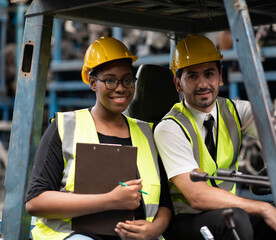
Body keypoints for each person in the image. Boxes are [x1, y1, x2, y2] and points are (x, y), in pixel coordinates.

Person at [154, 34, 276, 240]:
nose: (203, 84)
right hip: (186, 221)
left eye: (209, 74)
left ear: (220, 76)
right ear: (178, 84)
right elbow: (196, 196)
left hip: (227, 209)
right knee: (240, 220)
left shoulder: (236, 110)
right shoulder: (169, 128)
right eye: (192, 76)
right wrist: (263, 209)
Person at [25, 36, 172, 240]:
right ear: (93, 83)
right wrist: (109, 201)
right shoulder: (65, 127)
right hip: (75, 235)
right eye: (110, 80)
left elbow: (165, 203)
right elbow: (35, 202)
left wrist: (155, 229)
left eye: (127, 79)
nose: (121, 88)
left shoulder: (147, 133)